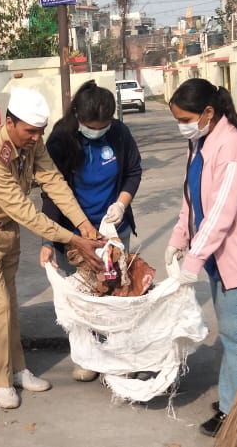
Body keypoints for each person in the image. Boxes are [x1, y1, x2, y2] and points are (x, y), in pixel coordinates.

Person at [0, 87, 105, 409]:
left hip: (5, 234)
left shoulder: (30, 143)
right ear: (9, 122)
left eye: (41, 131)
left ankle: (18, 370)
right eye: (30, 132)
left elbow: (54, 181)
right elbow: (25, 212)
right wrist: (72, 238)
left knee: (8, 306)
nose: (37, 138)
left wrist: (83, 224)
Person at [164, 78, 237, 437]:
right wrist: (178, 238)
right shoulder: (201, 141)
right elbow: (192, 198)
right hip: (217, 257)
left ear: (208, 112)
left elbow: (221, 212)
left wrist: (192, 261)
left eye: (185, 119)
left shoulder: (234, 146)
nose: (182, 127)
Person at [38, 80, 143, 382]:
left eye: (103, 126)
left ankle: (118, 354)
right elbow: (51, 193)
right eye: (91, 127)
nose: (98, 131)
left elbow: (133, 171)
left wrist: (121, 204)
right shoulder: (61, 141)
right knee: (83, 297)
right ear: (78, 117)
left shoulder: (119, 134)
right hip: (74, 236)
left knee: (114, 292)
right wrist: (48, 240)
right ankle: (88, 356)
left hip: (113, 232)